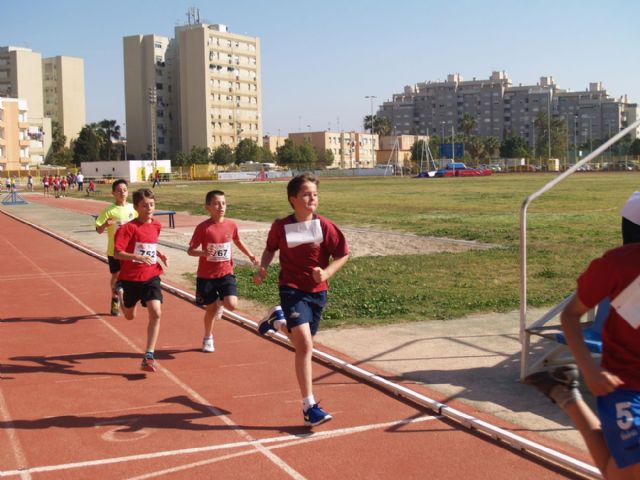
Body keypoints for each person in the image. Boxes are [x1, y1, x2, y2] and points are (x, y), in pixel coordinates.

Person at [525, 239, 640, 478]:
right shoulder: (619, 264)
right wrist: (589, 368)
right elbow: (570, 315)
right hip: (625, 381)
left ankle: (566, 396)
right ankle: (567, 396)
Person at [253, 173, 349, 427]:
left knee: (301, 343)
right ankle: (309, 406)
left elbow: (342, 254)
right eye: (306, 194)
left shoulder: (325, 226)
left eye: (315, 194)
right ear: (292, 199)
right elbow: (270, 249)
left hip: (317, 293)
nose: (312, 198)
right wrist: (263, 268)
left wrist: (327, 272)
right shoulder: (281, 226)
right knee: (305, 345)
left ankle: (276, 323)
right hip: (291, 289)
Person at [187, 190, 258, 353]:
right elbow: (190, 251)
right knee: (209, 309)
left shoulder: (231, 225)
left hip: (226, 272)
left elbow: (238, 241)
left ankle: (221, 302)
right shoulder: (203, 228)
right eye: (217, 203)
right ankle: (208, 337)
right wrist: (203, 253)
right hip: (206, 276)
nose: (221, 207)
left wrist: (251, 255)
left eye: (224, 203)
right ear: (208, 207)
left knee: (231, 304)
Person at [114, 188, 168, 372]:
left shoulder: (157, 225)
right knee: (129, 316)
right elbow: (117, 253)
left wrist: (159, 254)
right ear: (136, 207)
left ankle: (149, 355)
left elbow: (150, 245)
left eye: (152, 205)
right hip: (130, 278)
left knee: (156, 311)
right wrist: (136, 257)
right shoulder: (128, 228)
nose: (149, 208)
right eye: (145, 205)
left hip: (151, 275)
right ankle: (120, 295)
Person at [95, 179, 137, 316]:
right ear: (113, 193)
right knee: (116, 275)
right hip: (114, 250)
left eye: (124, 190)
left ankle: (129, 299)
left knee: (130, 276)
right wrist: (106, 224)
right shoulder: (109, 210)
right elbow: (99, 230)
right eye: (119, 190)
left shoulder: (133, 209)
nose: (122, 193)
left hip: (130, 250)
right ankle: (115, 300)